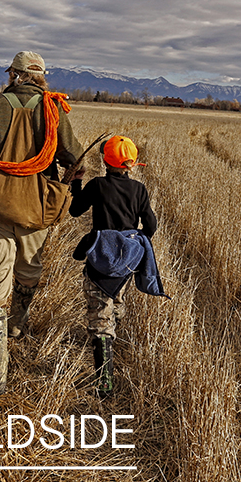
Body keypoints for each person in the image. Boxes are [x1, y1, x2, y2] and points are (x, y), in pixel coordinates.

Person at [0, 51, 84, 394]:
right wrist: (62, 185)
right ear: (42, 77)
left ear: (13, 74)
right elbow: (74, 158)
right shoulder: (52, 109)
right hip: (36, 207)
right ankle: (18, 323)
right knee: (29, 271)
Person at [69, 135, 161, 398]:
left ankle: (105, 385)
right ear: (131, 165)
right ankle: (111, 333)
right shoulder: (139, 191)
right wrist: (132, 243)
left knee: (100, 321)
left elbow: (75, 210)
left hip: (100, 259)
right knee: (115, 305)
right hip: (125, 265)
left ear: (105, 161)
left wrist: (76, 183)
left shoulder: (97, 185)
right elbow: (151, 226)